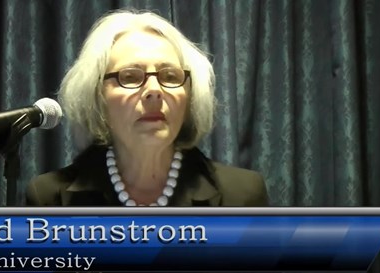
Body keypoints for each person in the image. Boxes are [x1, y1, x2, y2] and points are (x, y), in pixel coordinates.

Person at [26, 10, 268, 207]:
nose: (155, 90)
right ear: (97, 97)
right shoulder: (50, 200)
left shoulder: (243, 196)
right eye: (130, 77)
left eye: (170, 76)